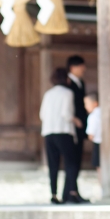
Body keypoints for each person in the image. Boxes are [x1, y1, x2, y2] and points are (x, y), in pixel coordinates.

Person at [40, 67, 83, 204]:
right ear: (66, 78)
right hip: (63, 131)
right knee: (70, 162)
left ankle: (53, 194)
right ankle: (71, 192)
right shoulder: (67, 93)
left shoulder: (48, 94)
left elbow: (42, 115)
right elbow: (66, 114)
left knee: (53, 164)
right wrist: (76, 120)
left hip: (48, 132)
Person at [66, 55, 88, 197]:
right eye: (81, 66)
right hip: (70, 126)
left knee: (77, 159)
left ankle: (71, 191)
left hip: (80, 126)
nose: (83, 69)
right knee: (72, 160)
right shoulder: (67, 83)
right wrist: (74, 120)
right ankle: (71, 192)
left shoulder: (81, 82)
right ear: (73, 67)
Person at [84, 92, 102, 184]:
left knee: (99, 167)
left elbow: (91, 135)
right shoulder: (103, 112)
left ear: (95, 103)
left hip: (98, 143)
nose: (85, 107)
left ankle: (102, 186)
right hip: (106, 144)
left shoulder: (92, 116)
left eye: (86, 104)